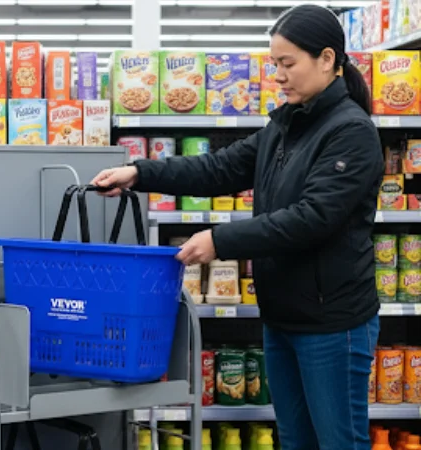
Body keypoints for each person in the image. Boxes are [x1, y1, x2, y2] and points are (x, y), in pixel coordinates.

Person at [92, 5, 381, 450]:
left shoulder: (351, 132)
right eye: (274, 65)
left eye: (288, 64)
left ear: (327, 59)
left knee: (340, 442)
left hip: (332, 322)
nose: (279, 76)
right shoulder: (285, 126)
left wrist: (219, 240)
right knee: (296, 441)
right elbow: (217, 169)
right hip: (282, 316)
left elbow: (312, 218)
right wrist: (140, 173)